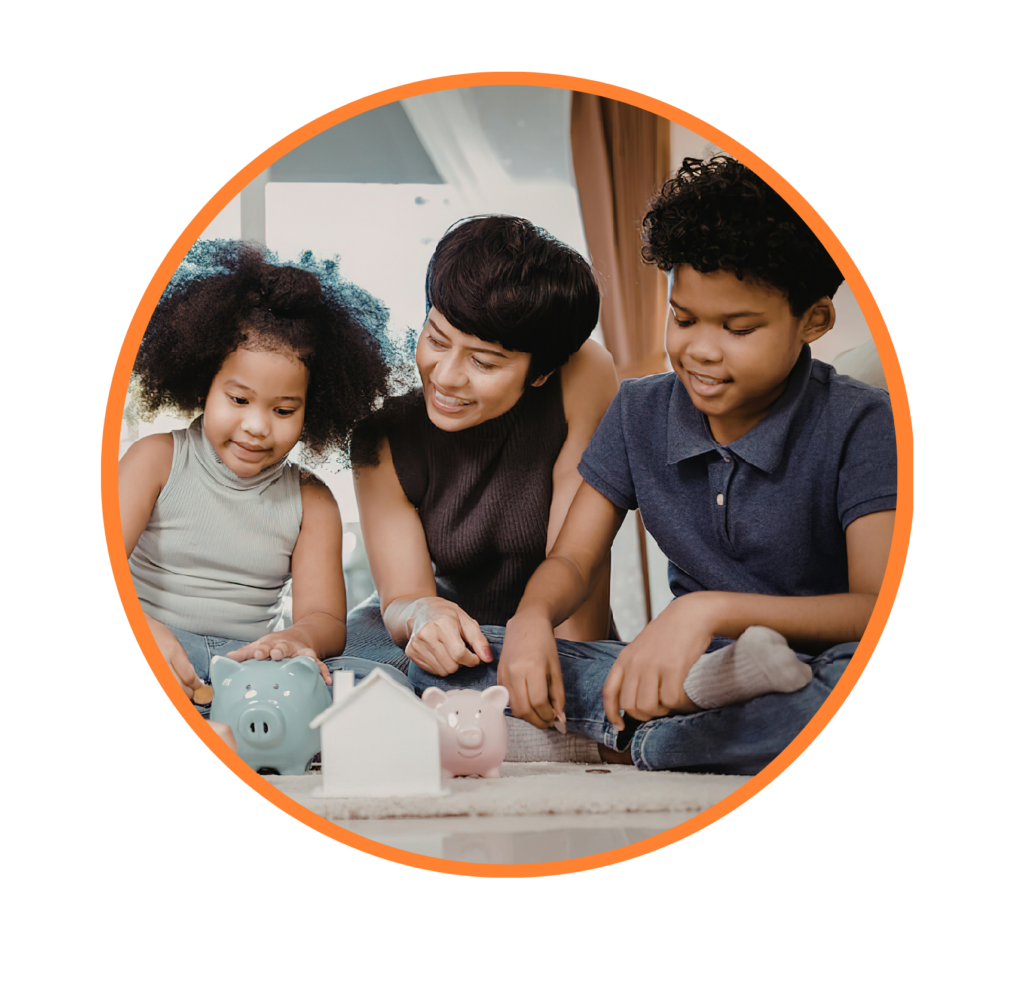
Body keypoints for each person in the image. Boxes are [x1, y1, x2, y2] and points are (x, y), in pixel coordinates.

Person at [423, 156, 897, 775]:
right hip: (684, 672)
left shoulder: (862, 420)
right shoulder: (639, 410)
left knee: (858, 687)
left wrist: (704, 610)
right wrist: (532, 617)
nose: (700, 348)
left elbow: (875, 607)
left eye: (738, 328)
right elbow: (571, 558)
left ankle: (638, 741)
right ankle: (702, 708)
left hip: (817, 661)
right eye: (684, 317)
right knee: (456, 650)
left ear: (813, 320)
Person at [119, 241, 414, 728]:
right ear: (203, 385)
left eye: (283, 410)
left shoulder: (312, 501)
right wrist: (140, 632)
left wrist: (296, 641)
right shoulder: (155, 460)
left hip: (253, 671)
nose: (257, 426)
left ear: (312, 409)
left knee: (383, 683)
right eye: (238, 399)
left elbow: (324, 620)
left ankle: (221, 727)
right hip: (157, 646)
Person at [345, 216, 619, 701]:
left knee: (591, 683)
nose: (446, 377)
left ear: (541, 372)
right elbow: (403, 597)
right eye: (436, 339)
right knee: (358, 679)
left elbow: (579, 563)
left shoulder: (582, 373)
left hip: (547, 625)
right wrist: (423, 615)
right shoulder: (383, 434)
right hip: (439, 635)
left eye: (484, 362)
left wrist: (577, 681)